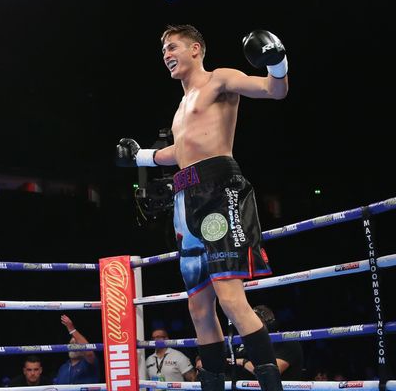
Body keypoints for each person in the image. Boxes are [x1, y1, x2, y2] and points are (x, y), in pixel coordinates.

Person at [115, 24, 289, 391]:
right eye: (163, 50)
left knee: (230, 297)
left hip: (218, 190)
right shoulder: (181, 107)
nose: (166, 54)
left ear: (196, 49)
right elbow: (178, 152)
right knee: (198, 306)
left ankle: (271, 385)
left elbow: (275, 91)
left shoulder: (219, 80)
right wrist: (140, 158)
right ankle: (213, 384)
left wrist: (277, 62)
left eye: (172, 46)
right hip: (185, 201)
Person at [230, 306, 303, 380]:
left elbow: (272, 373)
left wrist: (243, 362)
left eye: (255, 323)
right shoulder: (247, 342)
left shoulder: (287, 342)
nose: (251, 327)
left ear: (270, 325)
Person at [54, 314, 100, 384]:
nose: (73, 347)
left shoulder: (88, 363)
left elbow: (89, 353)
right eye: (72, 345)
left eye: (76, 345)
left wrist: (72, 330)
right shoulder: (63, 367)